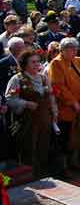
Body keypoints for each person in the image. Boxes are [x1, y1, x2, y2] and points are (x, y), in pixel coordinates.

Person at [5, 50, 57, 179]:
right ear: (25, 64)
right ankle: (28, 175)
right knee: (28, 147)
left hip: (44, 119)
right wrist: (25, 103)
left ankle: (41, 172)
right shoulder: (17, 79)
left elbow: (51, 96)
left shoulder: (44, 78)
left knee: (43, 146)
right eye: (33, 62)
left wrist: (55, 112)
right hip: (27, 121)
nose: (36, 64)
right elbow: (9, 99)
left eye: (38, 61)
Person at [47, 37, 80, 177]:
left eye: (75, 48)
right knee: (64, 137)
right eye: (70, 49)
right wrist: (72, 102)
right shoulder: (56, 63)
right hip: (66, 107)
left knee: (78, 133)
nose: (74, 51)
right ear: (62, 50)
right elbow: (58, 86)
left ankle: (73, 162)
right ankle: (62, 167)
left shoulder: (76, 60)